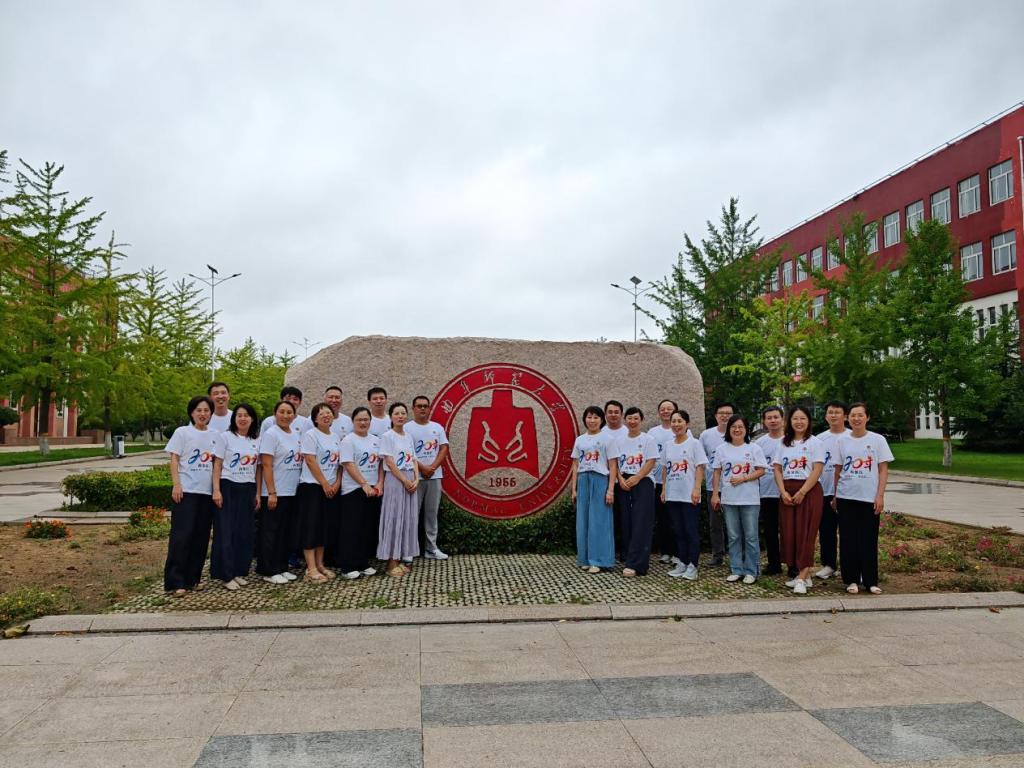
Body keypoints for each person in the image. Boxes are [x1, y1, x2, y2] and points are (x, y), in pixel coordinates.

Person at [833, 402, 894, 595]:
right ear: (847, 418)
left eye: (860, 415)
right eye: (853, 415)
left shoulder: (878, 440)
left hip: (869, 498)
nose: (856, 419)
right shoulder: (842, 441)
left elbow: (883, 469)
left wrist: (880, 495)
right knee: (847, 540)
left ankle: (870, 581)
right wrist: (835, 495)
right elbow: (838, 469)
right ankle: (851, 579)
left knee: (868, 540)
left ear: (867, 417)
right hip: (846, 496)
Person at [164, 395, 219, 596]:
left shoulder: (215, 435)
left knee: (201, 537)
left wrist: (216, 489)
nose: (202, 414)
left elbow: (217, 463)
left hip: (206, 493)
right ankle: (175, 581)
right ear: (192, 413)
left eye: (206, 410)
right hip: (186, 492)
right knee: (182, 536)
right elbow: (174, 459)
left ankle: (193, 579)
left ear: (211, 413)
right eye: (199, 410)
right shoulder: (183, 432)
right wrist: (176, 484)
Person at [773, 406, 826, 595]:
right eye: (795, 418)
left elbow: (817, 470)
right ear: (789, 421)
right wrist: (782, 492)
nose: (799, 422)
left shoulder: (815, 443)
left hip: (809, 491)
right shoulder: (783, 443)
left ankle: (802, 578)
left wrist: (803, 492)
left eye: (803, 418)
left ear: (809, 421)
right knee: (790, 534)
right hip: (787, 491)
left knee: (806, 534)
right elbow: (777, 468)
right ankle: (803, 574)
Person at [711, 414, 767, 584]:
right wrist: (715, 494)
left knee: (750, 537)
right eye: (734, 427)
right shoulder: (721, 449)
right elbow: (717, 472)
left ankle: (752, 570)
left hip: (750, 499)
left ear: (746, 429)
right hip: (729, 499)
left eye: (740, 427)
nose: (737, 430)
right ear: (729, 429)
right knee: (733, 536)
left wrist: (744, 478)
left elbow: (761, 470)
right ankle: (736, 568)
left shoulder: (754, 448)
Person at [210, 402, 260, 590]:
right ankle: (226, 574)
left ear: (252, 419)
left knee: (244, 532)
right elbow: (217, 464)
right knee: (226, 531)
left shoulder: (256, 440)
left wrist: (257, 493)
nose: (242, 418)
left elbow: (258, 469)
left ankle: (239, 570)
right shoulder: (225, 437)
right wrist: (216, 490)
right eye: (239, 415)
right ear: (234, 418)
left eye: (246, 415)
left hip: (248, 488)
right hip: (228, 486)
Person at [256, 400, 303, 584]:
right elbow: (266, 464)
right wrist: (272, 492)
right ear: (275, 414)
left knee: (285, 531)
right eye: (282, 412)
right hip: (275, 492)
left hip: (291, 491)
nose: (285, 416)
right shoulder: (271, 434)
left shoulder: (295, 434)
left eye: (289, 412)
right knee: (270, 531)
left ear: (294, 415)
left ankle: (281, 566)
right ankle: (268, 569)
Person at [610, 406, 658, 577]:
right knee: (625, 520)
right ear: (625, 420)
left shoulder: (648, 439)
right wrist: (620, 479)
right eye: (629, 418)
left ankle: (637, 564)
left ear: (641, 420)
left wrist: (637, 477)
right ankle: (627, 556)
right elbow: (615, 462)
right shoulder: (619, 440)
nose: (632, 421)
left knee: (641, 522)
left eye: (636, 418)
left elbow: (651, 461)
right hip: (623, 481)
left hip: (643, 480)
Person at [297, 403, 341, 583]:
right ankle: (311, 568)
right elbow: (310, 460)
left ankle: (320, 564)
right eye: (321, 413)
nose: (326, 415)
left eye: (328, 413)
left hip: (331, 488)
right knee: (311, 527)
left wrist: (336, 483)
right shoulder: (311, 435)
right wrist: (324, 483)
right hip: (312, 487)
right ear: (315, 418)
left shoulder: (336, 437)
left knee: (324, 527)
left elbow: (339, 464)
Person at [661, 410, 708, 581]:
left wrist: (697, 489)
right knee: (678, 531)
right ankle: (682, 562)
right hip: (673, 494)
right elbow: (665, 468)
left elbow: (700, 467)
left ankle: (693, 565)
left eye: (679, 421)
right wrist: (664, 489)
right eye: (673, 421)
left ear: (687, 423)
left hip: (689, 495)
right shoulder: (668, 445)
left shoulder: (694, 443)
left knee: (690, 531)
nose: (676, 424)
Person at [337, 406, 383, 579]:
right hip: (353, 490)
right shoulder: (348, 440)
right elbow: (348, 464)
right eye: (359, 420)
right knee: (352, 528)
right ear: (353, 421)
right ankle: (348, 566)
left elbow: (380, 463)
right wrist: (363, 484)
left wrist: (380, 483)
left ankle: (363, 563)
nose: (363, 422)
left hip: (373, 490)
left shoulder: (375, 440)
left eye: (366, 419)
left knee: (367, 528)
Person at [570, 406, 617, 573]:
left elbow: (613, 465)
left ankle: (599, 560)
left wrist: (610, 490)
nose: (592, 420)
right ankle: (584, 558)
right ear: (585, 419)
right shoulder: (580, 440)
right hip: (583, 479)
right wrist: (574, 488)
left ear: (601, 420)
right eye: (589, 417)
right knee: (583, 521)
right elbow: (575, 465)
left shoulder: (608, 439)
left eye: (596, 417)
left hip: (600, 479)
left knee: (599, 521)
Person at [377, 402, 420, 577]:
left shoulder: (408, 436)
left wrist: (416, 479)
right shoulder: (387, 436)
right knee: (394, 517)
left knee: (407, 518)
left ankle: (400, 557)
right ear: (391, 416)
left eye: (403, 413)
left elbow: (414, 459)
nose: (400, 416)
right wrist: (404, 480)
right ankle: (391, 562)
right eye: (397, 413)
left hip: (410, 478)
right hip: (395, 480)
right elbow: (389, 462)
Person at [406, 395, 450, 561]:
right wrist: (422, 468)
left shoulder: (437, 427)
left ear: (430, 408)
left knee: (431, 514)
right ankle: (409, 550)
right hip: (414, 477)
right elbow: (406, 452)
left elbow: (444, 448)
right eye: (419, 406)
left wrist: (432, 468)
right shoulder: (407, 428)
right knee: (412, 514)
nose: (422, 409)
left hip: (434, 477)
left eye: (425, 406)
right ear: (413, 408)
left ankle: (431, 549)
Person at [815, 400, 850, 580]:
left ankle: (849, 567)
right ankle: (828, 564)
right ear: (826, 416)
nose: (834, 415)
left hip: (848, 493)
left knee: (848, 532)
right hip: (824, 491)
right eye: (830, 412)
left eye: (837, 412)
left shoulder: (853, 436)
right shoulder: (819, 439)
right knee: (826, 531)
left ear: (845, 416)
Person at [700, 402, 735, 566]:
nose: (725, 416)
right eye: (721, 413)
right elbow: (701, 457)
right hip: (712, 486)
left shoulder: (738, 433)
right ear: (715, 416)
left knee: (734, 522)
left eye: (728, 413)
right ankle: (717, 554)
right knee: (715, 523)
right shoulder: (706, 435)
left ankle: (736, 554)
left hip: (734, 486)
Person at [648, 399, 681, 566]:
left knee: (675, 518)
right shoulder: (652, 432)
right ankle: (666, 551)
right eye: (663, 409)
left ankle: (677, 552)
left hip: (676, 482)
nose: (666, 411)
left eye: (669, 409)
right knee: (662, 519)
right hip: (657, 481)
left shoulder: (683, 431)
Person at [755, 406, 786, 576]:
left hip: (787, 492)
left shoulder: (791, 440)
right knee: (770, 530)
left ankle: (792, 564)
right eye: (769, 418)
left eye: (776, 417)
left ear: (782, 419)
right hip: (766, 493)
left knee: (789, 530)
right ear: (764, 421)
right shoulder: (759, 443)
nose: (773, 420)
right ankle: (774, 563)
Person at [601, 399, 627, 557]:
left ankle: (624, 550)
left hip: (624, 481)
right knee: (607, 517)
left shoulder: (627, 432)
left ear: (622, 414)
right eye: (610, 412)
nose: (613, 415)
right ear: (605, 414)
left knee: (624, 516)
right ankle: (609, 550)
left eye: (616, 412)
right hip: (605, 481)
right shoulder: (601, 432)